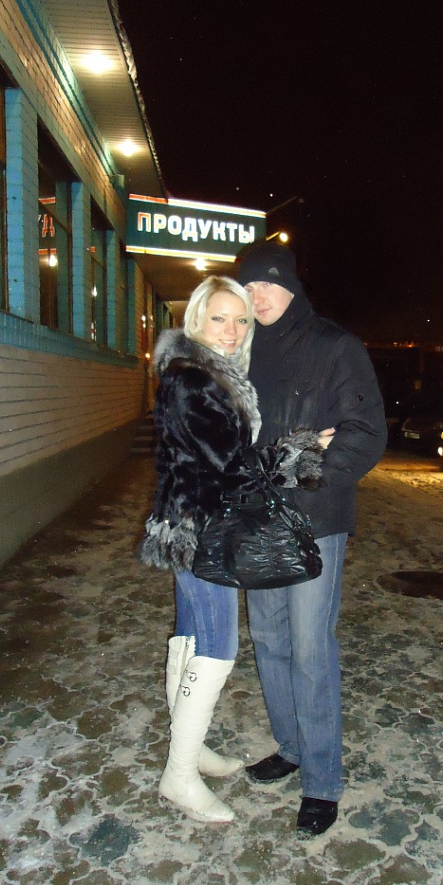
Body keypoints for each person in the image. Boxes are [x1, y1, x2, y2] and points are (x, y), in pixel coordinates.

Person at [139, 275, 327, 824]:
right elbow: (232, 466)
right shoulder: (192, 381)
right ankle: (179, 776)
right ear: (197, 318)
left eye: (241, 320)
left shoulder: (205, 373)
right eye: (219, 318)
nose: (232, 330)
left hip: (191, 522)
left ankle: (189, 749)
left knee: (192, 637)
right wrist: (302, 453)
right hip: (202, 530)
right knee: (217, 648)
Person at [236, 240, 387, 836]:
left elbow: (365, 432)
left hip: (315, 522)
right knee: (268, 638)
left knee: (309, 647)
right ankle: (292, 746)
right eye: (249, 287)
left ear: (293, 285)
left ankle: (322, 781)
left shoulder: (335, 346)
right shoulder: (243, 349)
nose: (258, 297)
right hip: (257, 518)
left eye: (268, 283)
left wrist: (300, 468)